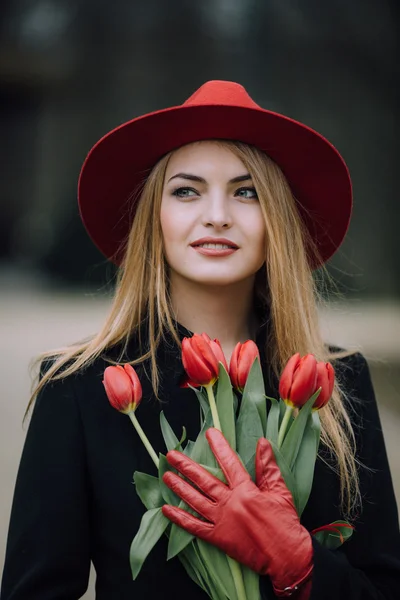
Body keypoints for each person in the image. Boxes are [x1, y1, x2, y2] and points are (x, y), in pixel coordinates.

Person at [1, 80, 399, 600]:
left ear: (276, 219)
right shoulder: (79, 388)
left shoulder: (335, 383)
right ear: (154, 218)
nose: (217, 214)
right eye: (186, 190)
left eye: (247, 191)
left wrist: (300, 565)